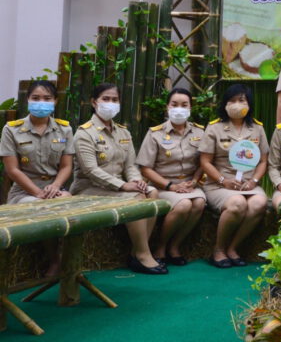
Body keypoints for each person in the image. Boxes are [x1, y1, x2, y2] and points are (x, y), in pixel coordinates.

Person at [71, 83, 165, 275]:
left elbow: (130, 165)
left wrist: (137, 181)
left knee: (152, 191)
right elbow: (90, 170)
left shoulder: (123, 132)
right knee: (137, 199)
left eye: (115, 100)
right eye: (105, 99)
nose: (110, 103)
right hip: (89, 188)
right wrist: (123, 186)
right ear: (94, 102)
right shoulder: (84, 133)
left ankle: (136, 251)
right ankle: (143, 254)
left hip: (117, 188)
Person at [0, 80, 74, 276]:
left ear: (55, 101)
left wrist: (56, 186)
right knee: (43, 208)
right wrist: (39, 192)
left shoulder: (64, 129)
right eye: (36, 98)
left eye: (47, 98)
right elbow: (12, 170)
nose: (41, 102)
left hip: (55, 188)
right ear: (28, 100)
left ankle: (72, 262)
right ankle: (55, 261)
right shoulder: (11, 129)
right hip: (24, 192)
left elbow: (67, 166)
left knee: (72, 206)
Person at [200, 84, 268, 268]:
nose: (236, 105)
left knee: (258, 203)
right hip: (219, 184)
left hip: (248, 183)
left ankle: (232, 248)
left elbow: (263, 161)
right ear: (225, 104)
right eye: (232, 100)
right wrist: (223, 180)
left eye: (241, 100)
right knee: (237, 203)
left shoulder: (257, 129)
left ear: (249, 104)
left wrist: (254, 181)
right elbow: (205, 161)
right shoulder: (215, 128)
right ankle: (218, 250)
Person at [136, 88, 207, 266]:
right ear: (167, 107)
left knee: (198, 203)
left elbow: (204, 162)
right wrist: (170, 186)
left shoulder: (200, 132)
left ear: (191, 108)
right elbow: (145, 168)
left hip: (190, 185)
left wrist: (194, 181)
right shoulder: (155, 133)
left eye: (184, 105)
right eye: (174, 104)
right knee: (183, 205)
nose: (179, 109)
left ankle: (175, 246)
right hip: (163, 185)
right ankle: (160, 246)